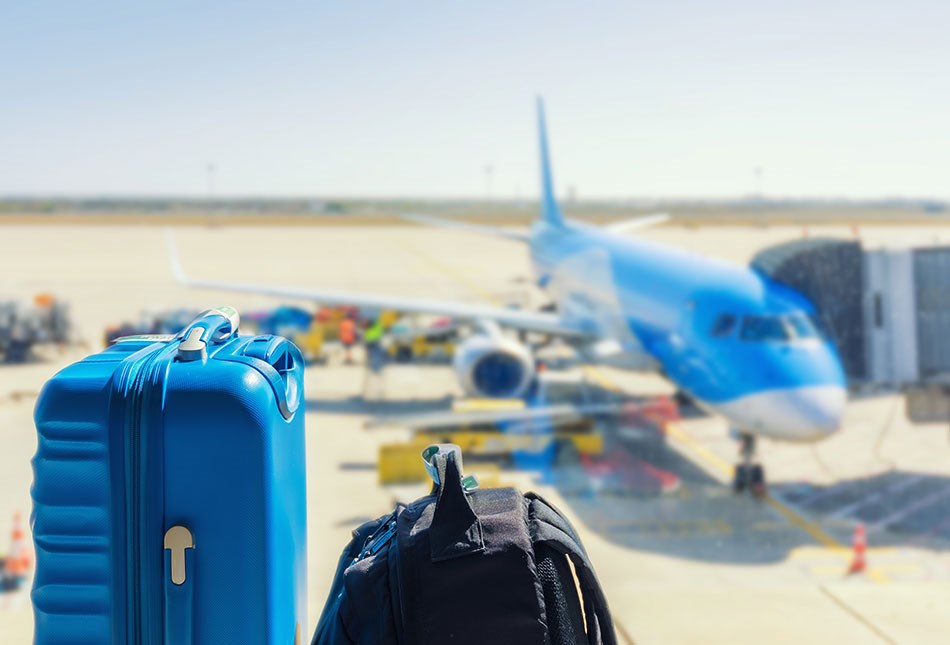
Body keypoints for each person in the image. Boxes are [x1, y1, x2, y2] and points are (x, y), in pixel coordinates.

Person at [362, 318, 387, 400]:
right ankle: (380, 390)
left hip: (371, 344)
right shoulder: (378, 324)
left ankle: (368, 391)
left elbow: (366, 333)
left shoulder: (371, 323)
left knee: (371, 368)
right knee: (378, 368)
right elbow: (381, 332)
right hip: (375, 344)